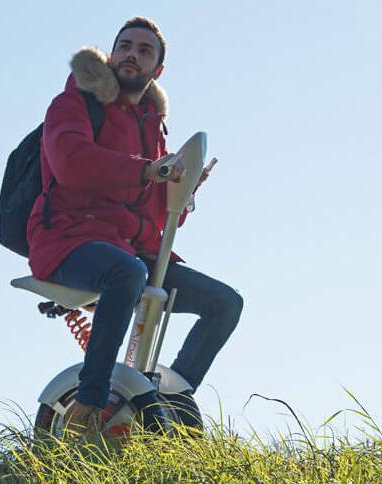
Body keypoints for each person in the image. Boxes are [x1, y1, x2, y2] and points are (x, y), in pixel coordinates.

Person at [27, 17, 243, 435]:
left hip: (131, 249)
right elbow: (71, 163)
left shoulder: (152, 125)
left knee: (225, 303)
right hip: (69, 238)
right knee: (126, 272)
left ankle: (170, 401)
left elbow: (160, 213)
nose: (132, 54)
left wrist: (182, 191)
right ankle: (89, 405)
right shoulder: (73, 103)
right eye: (125, 46)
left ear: (156, 70)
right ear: (111, 56)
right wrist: (147, 171)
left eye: (144, 51)